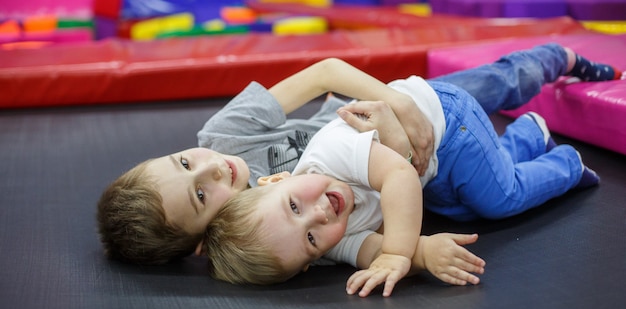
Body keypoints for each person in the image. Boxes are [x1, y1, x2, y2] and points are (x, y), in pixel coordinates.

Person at [96, 43, 621, 265]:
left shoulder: (222, 137)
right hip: (411, 170)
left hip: (393, 107)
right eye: (203, 196)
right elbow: (359, 244)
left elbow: (324, 72)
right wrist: (410, 253)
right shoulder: (264, 232)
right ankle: (529, 136)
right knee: (472, 201)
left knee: (506, 80)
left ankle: (563, 57)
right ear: (201, 244)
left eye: (183, 162)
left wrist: (393, 101)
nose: (211, 167)